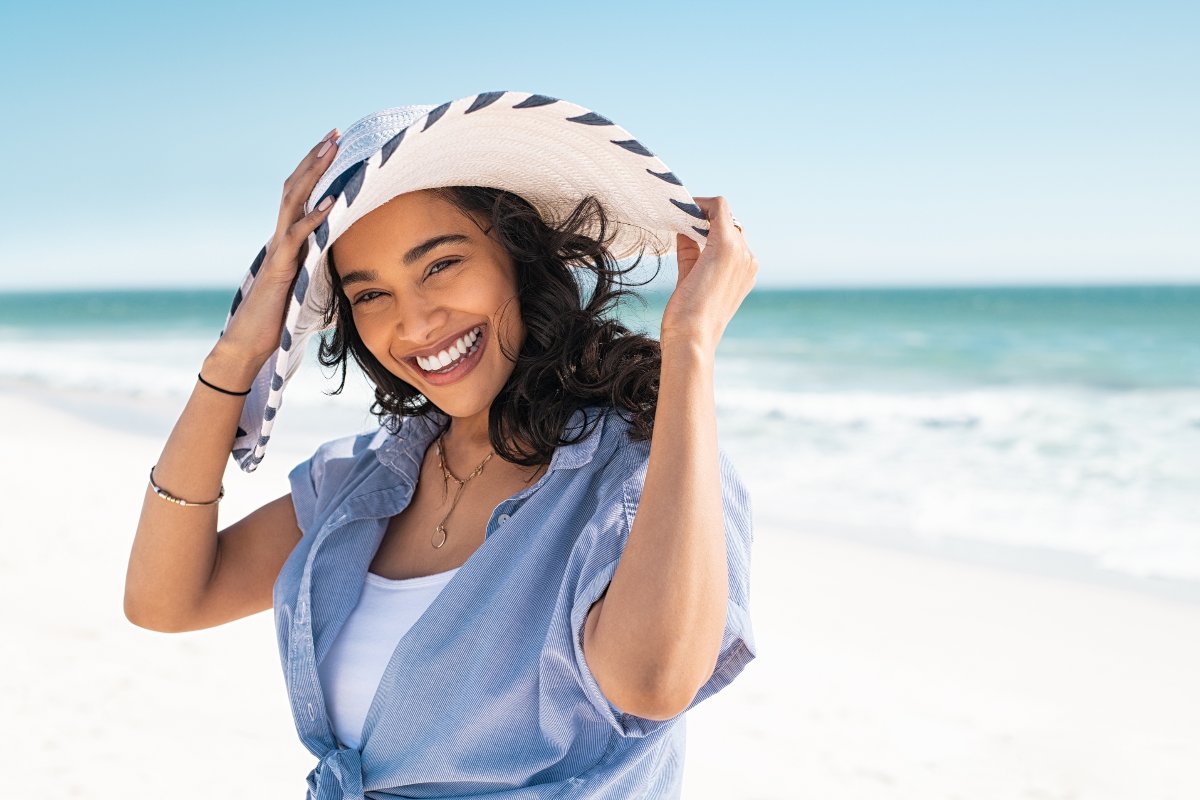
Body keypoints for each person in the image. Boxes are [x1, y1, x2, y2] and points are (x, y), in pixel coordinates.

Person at [125, 91, 758, 800]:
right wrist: (239, 352)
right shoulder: (361, 485)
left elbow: (651, 684)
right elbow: (164, 600)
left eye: (439, 265)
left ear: (517, 256)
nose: (417, 323)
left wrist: (690, 349)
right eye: (370, 296)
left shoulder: (641, 473)